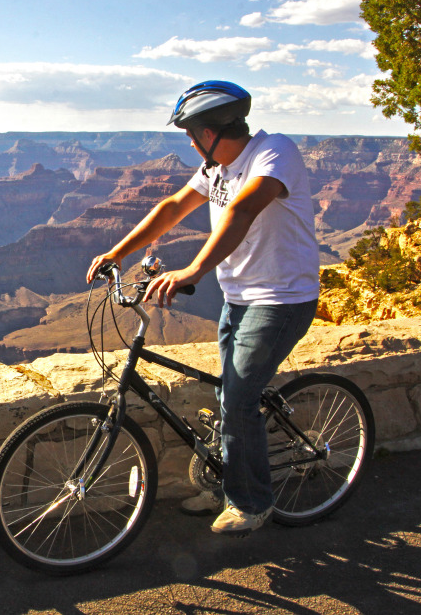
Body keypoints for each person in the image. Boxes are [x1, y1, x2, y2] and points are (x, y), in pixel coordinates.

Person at [86, 80, 319, 537]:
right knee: (228, 393)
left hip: (281, 299)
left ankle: (251, 503)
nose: (190, 145)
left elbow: (243, 211)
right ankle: (228, 483)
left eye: (192, 135)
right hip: (239, 297)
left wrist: (192, 271)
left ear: (211, 132)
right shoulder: (216, 169)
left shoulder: (274, 153)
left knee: (237, 398)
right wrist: (118, 253)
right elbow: (172, 206)